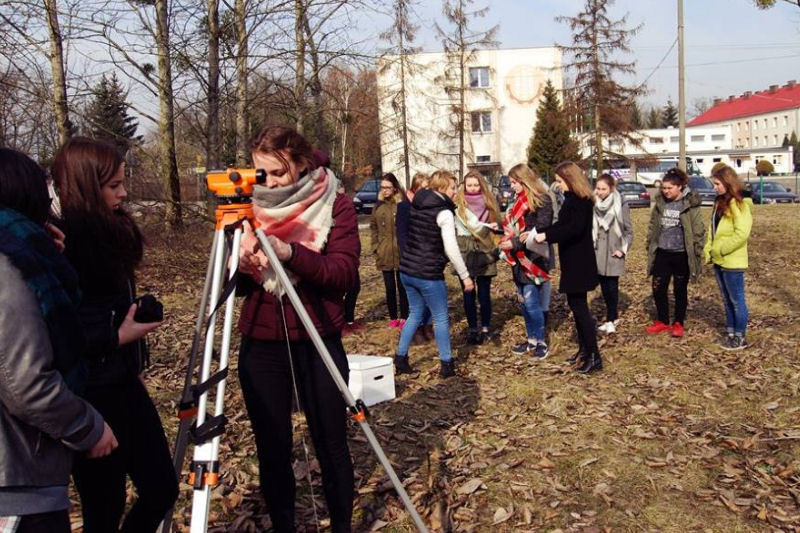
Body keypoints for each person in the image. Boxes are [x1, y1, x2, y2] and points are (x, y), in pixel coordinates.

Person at [51, 137, 177, 533]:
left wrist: (129, 345)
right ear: (85, 186)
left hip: (122, 380)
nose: (123, 194)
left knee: (161, 488)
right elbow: (56, 335)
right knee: (104, 506)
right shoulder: (59, 244)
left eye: (124, 183)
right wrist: (116, 335)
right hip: (88, 392)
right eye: (113, 186)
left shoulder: (109, 230)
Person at [237, 125, 358, 532]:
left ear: (303, 164)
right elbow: (228, 287)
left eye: (277, 173)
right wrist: (237, 266)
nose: (267, 183)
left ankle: (341, 524)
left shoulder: (333, 203)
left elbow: (343, 272)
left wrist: (290, 253)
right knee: (273, 448)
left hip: (317, 336)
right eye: (261, 174)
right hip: (262, 340)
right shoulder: (243, 206)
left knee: (331, 443)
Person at [0, 148, 116, 532]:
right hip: (17, 481)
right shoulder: (10, 263)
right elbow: (26, 382)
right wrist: (87, 427)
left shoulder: (26, 253)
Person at [395, 170, 474, 379]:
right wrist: (465, 276)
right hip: (428, 273)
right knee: (440, 318)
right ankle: (447, 364)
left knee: (414, 313)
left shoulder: (418, 203)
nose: (456, 192)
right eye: (452, 187)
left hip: (407, 270)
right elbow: (451, 248)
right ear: (441, 189)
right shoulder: (444, 213)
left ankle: (400, 358)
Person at [533, 161, 601, 373]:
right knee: (576, 306)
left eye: (560, 181)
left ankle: (594, 356)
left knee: (581, 310)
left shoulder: (581, 202)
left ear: (571, 180)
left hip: (580, 262)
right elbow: (562, 225)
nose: (558, 185)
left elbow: (573, 229)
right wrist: (539, 232)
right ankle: (583, 351)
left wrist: (546, 235)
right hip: (572, 260)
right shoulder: (571, 200)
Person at [500, 164, 554, 358]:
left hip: (534, 259)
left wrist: (515, 241)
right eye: (511, 182)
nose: (512, 186)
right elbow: (513, 228)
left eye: (514, 182)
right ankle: (531, 340)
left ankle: (541, 341)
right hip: (517, 259)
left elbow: (542, 229)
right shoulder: (515, 202)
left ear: (524, 181)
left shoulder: (542, 200)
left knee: (532, 302)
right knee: (523, 302)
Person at [644, 167, 705, 338]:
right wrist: (650, 244)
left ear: (680, 187)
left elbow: (698, 230)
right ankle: (662, 321)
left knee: (680, 289)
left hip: (681, 254)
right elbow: (652, 226)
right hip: (662, 252)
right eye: (663, 188)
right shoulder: (660, 203)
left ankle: (678, 322)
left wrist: (697, 251)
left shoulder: (689, 204)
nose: (666, 191)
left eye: (669, 188)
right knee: (658, 288)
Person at [705, 165, 753, 350]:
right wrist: (709, 249)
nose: (714, 187)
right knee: (726, 299)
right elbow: (713, 230)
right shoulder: (719, 203)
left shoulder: (739, 204)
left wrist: (721, 249)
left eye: (717, 183)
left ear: (727, 183)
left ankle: (740, 337)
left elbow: (741, 233)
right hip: (718, 259)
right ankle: (731, 333)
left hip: (732, 260)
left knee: (736, 299)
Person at [454, 170, 501, 344]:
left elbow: (498, 225)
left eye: (476, 185)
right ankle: (472, 327)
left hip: (484, 248)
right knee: (468, 292)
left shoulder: (489, 201)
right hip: (465, 250)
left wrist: (495, 229)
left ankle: (485, 327)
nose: (473, 189)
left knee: (484, 292)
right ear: (464, 185)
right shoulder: (458, 203)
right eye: (469, 185)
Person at [592, 174, 634, 334]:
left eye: (604, 189)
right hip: (597, 252)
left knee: (612, 287)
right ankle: (612, 316)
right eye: (598, 188)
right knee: (603, 286)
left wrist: (622, 249)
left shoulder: (620, 204)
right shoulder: (593, 204)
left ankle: (610, 319)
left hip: (613, 251)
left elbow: (629, 231)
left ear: (611, 188)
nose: (600, 192)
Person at [396, 172, 433, 343]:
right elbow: (401, 234)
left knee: (430, 294)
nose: (426, 192)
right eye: (423, 188)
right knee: (417, 298)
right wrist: (407, 256)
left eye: (428, 188)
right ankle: (416, 329)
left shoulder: (428, 205)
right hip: (412, 257)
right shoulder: (405, 206)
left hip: (427, 255)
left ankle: (427, 325)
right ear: (415, 189)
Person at [370, 173, 409, 328]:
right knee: (390, 287)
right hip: (384, 251)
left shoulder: (401, 204)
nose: (385, 190)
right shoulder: (378, 206)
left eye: (388, 187)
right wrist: (375, 247)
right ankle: (393, 317)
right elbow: (373, 227)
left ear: (394, 188)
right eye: (382, 187)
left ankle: (404, 316)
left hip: (400, 251)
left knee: (402, 286)